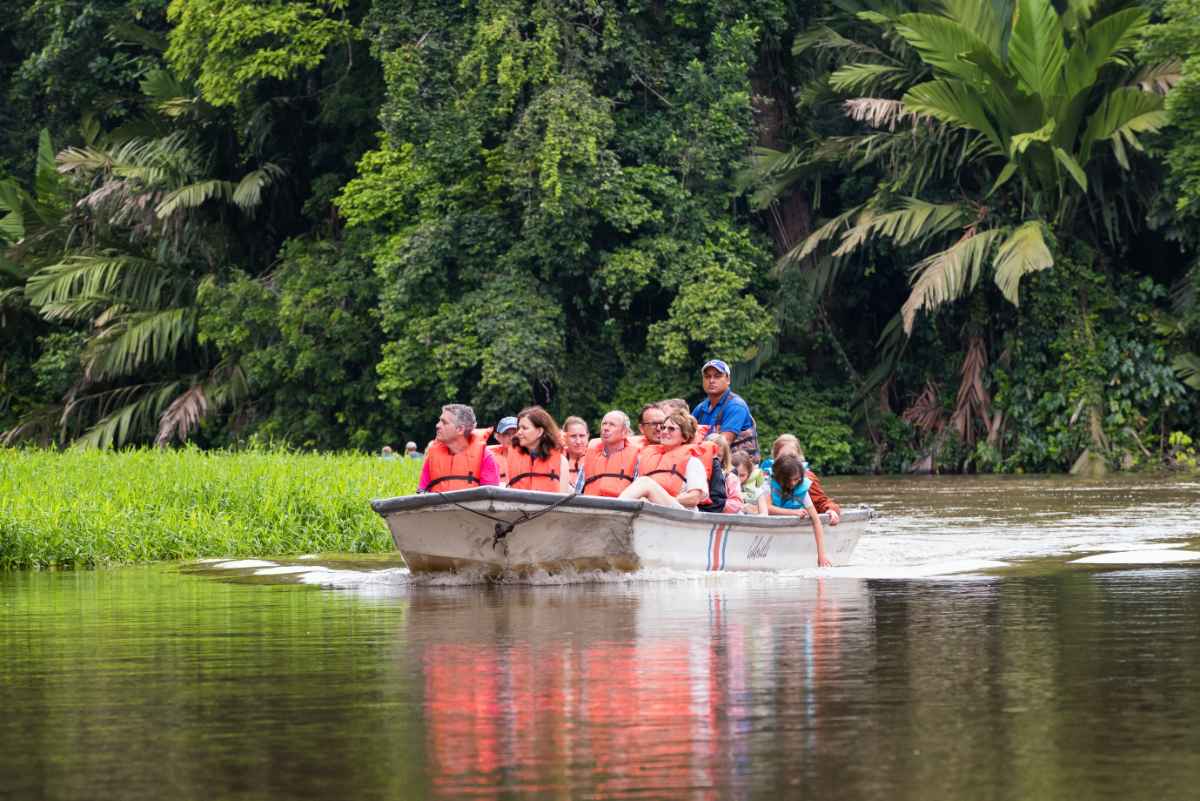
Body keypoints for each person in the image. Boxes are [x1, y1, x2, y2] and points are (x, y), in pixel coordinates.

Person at [618, 411, 708, 509]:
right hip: (651, 510)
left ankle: (614, 509)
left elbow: (693, 499)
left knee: (645, 482)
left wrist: (655, 500)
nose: (664, 432)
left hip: (681, 513)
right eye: (663, 428)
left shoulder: (693, 462)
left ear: (685, 437)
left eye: (671, 429)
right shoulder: (646, 457)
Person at [756, 453, 831, 567]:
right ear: (780, 478)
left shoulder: (801, 490)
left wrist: (821, 555)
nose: (792, 483)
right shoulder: (769, 484)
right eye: (788, 480)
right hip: (767, 514)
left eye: (796, 479)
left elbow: (816, 521)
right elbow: (767, 508)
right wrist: (793, 513)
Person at [418, 404, 500, 492]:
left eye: (444, 422)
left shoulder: (485, 457)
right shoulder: (432, 457)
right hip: (438, 506)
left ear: (460, 429)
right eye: (439, 421)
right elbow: (421, 493)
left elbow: (491, 499)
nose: (437, 425)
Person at [763, 434, 842, 525]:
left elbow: (822, 502)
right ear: (775, 458)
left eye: (792, 456)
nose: (788, 461)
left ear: (799, 458)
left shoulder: (806, 477)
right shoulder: (766, 476)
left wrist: (831, 510)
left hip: (800, 516)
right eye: (783, 457)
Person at [691, 359, 760, 461]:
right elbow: (686, 435)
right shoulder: (701, 408)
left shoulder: (736, 406)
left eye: (717, 376)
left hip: (740, 470)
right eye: (707, 376)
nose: (711, 380)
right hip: (709, 463)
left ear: (728, 380)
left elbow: (721, 446)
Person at [506, 406, 571, 492]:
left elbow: (562, 499)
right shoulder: (512, 459)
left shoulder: (561, 462)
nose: (519, 432)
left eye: (524, 428)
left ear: (540, 432)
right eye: (519, 428)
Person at [581, 410, 642, 497]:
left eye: (612, 425)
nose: (606, 428)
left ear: (625, 432)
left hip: (620, 508)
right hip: (590, 508)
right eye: (604, 424)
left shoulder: (637, 460)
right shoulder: (588, 459)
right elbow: (577, 493)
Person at [713, 437, 744, 514]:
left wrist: (714, 505)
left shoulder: (730, 477)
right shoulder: (698, 472)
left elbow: (737, 504)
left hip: (721, 516)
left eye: (719, 456)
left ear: (724, 458)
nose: (714, 459)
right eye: (712, 453)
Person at [562, 415, 590, 492]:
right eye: (573, 436)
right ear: (565, 437)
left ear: (588, 436)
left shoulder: (596, 459)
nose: (578, 441)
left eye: (582, 436)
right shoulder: (556, 459)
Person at [487, 416, 518, 485]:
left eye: (515, 433)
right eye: (506, 434)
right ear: (497, 437)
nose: (512, 437)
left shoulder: (532, 455)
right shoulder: (488, 456)